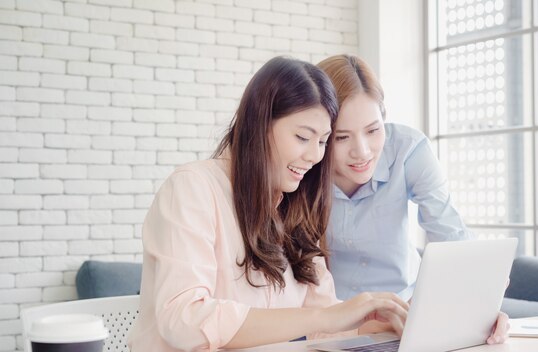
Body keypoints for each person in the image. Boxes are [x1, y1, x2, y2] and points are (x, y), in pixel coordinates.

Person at [127, 57, 408, 352]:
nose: (315, 156)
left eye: (324, 141)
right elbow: (184, 321)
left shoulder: (294, 208)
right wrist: (321, 318)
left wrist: (377, 322)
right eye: (302, 137)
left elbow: (324, 327)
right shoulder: (192, 188)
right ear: (259, 125)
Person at [317, 54, 508, 345]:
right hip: (330, 322)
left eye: (373, 130)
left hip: (402, 318)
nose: (362, 151)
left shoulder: (408, 149)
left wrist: (481, 307)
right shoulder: (305, 164)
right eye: (342, 138)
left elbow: (451, 235)